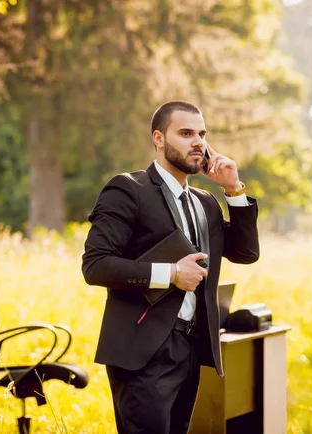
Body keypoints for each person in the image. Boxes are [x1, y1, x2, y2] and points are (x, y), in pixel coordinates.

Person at [81, 100, 260, 434]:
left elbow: (246, 252)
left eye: (202, 134)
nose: (198, 142)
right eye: (186, 133)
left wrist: (233, 189)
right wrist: (173, 274)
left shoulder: (205, 203)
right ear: (159, 139)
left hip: (191, 349)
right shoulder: (128, 189)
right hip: (142, 352)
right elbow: (96, 265)